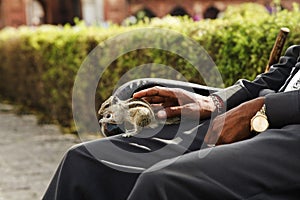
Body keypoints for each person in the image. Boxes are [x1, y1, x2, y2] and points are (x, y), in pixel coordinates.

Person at [43, 45, 300, 200]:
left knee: (162, 183)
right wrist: (216, 103)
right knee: (86, 161)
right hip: (263, 114)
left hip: (288, 132)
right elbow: (284, 72)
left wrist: (263, 110)